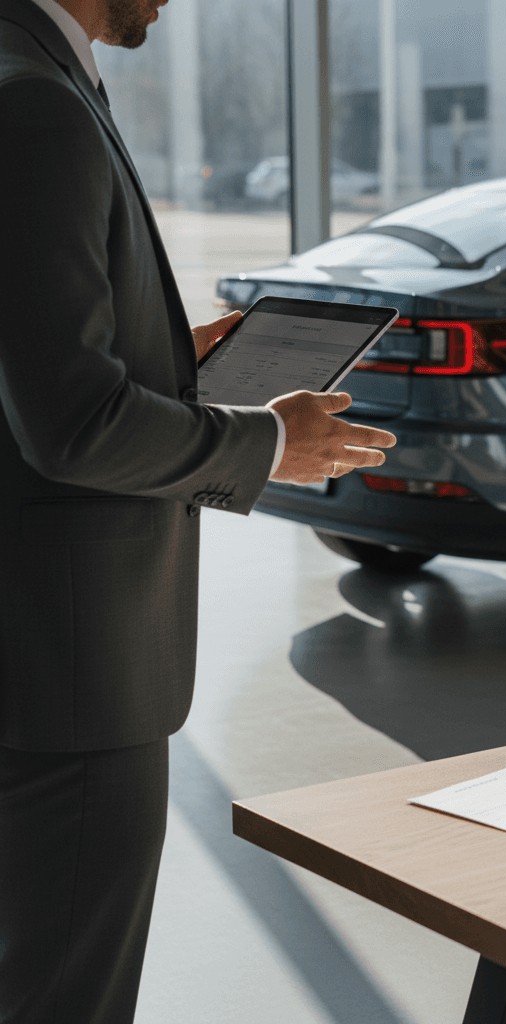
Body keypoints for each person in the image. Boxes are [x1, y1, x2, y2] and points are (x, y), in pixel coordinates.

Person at [0, 1, 396, 1021]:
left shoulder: (32, 72)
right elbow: (73, 425)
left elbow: (36, 361)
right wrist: (268, 442)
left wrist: (171, 355)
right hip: (71, 679)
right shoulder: (36, 102)